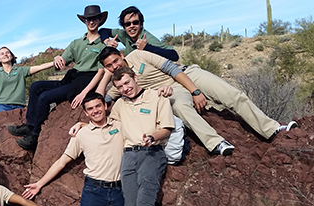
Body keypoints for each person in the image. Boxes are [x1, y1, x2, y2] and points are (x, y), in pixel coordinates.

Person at [96, 46, 298, 156]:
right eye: (109, 66)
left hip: (187, 75)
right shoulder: (119, 85)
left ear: (122, 55)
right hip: (172, 90)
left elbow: (171, 69)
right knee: (180, 107)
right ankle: (217, 143)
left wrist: (195, 91)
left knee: (231, 94)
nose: (114, 66)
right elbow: (101, 100)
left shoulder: (138, 55)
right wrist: (104, 78)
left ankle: (271, 128)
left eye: (116, 60)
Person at [8, 5, 107, 150]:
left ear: (99, 20)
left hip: (85, 80)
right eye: (88, 19)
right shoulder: (76, 43)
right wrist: (57, 58)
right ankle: (30, 125)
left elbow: (100, 72)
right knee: (36, 86)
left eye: (94, 19)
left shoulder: (103, 45)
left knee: (45, 97)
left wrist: (84, 93)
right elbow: (62, 62)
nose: (91, 22)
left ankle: (35, 136)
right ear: (84, 21)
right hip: (71, 76)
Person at [109, 67, 174, 206]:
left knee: (145, 201)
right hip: (128, 156)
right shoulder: (119, 105)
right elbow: (109, 126)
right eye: (120, 87)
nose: (125, 88)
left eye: (127, 83)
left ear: (135, 78)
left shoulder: (157, 96)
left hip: (151, 153)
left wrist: (153, 137)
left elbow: (167, 128)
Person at [99, 6, 179, 61]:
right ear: (124, 27)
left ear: (141, 24)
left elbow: (174, 55)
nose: (131, 26)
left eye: (135, 22)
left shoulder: (147, 38)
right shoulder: (124, 34)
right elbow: (103, 31)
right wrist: (107, 42)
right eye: (127, 24)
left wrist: (147, 47)